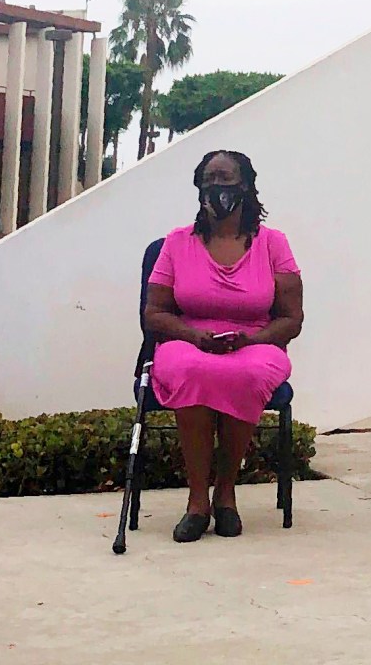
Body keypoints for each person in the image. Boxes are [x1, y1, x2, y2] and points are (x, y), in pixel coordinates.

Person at [140, 149, 303, 542]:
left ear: (245, 187)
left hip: (256, 341)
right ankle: (198, 501)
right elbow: (154, 313)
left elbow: (291, 319)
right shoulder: (178, 243)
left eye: (226, 179)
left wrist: (253, 339)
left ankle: (226, 494)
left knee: (246, 372)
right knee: (189, 369)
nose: (216, 188)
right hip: (188, 340)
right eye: (208, 180)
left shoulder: (273, 244)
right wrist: (193, 336)